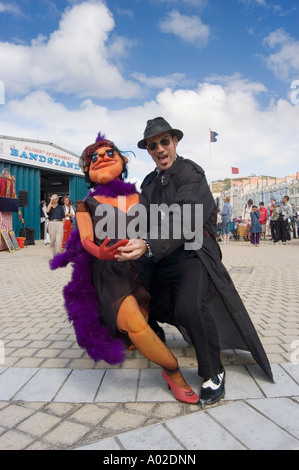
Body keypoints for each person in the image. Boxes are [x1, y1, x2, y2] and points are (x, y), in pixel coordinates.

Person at [116, 116, 273, 406]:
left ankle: (213, 372)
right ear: (148, 150)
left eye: (165, 141)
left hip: (193, 254)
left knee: (190, 306)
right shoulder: (149, 183)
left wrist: (148, 243)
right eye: (153, 145)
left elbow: (186, 218)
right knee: (128, 285)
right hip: (161, 257)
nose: (160, 148)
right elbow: (141, 219)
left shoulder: (192, 174)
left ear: (175, 142)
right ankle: (153, 333)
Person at [50, 132, 200, 405]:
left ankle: (127, 337)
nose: (102, 158)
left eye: (109, 153)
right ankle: (173, 371)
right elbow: (84, 240)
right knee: (135, 323)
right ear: (87, 170)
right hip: (108, 273)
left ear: (122, 160)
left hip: (142, 270)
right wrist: (101, 251)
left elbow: (163, 228)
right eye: (93, 157)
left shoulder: (142, 198)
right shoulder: (87, 204)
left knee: (139, 320)